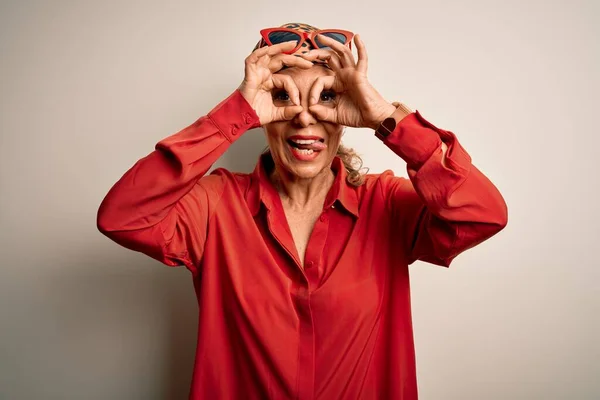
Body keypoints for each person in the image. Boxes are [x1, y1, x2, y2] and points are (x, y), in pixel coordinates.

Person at [97, 22, 508, 400]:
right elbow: (122, 217)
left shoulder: (385, 204)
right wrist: (232, 117)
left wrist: (385, 117)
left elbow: (483, 214)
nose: (304, 117)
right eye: (282, 97)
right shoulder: (215, 206)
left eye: (327, 96)